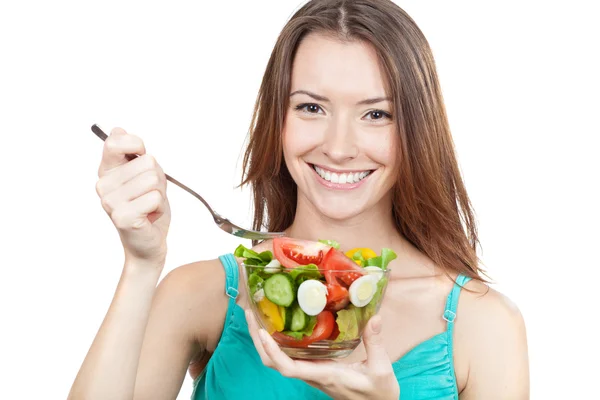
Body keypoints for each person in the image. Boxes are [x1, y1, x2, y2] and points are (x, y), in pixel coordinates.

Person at [68, 0, 529, 399]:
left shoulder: (485, 325)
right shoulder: (202, 295)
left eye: (376, 114)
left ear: (417, 131)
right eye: (311, 107)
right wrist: (140, 264)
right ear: (279, 119)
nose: (339, 146)